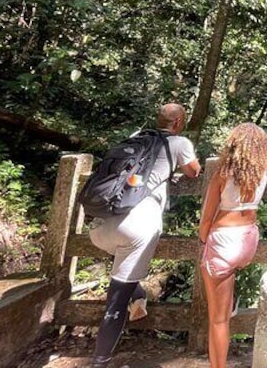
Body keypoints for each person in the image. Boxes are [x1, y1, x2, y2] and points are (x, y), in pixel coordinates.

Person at [89, 103, 201, 368]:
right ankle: (100, 360)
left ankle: (138, 295)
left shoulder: (135, 138)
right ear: (178, 122)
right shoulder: (179, 142)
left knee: (123, 271)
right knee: (116, 298)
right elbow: (194, 171)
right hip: (137, 227)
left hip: (99, 226)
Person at [198, 123, 267, 368]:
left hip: (224, 241)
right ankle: (230, 294)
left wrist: (205, 242)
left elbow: (205, 219)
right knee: (228, 275)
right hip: (248, 241)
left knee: (217, 320)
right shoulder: (265, 170)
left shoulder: (222, 174)